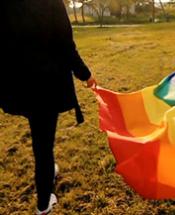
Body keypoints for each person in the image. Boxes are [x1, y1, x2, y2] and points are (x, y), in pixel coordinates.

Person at [1, 0, 97, 214]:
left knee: (41, 139)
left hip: (18, 86)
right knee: (43, 145)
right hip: (45, 85)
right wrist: (86, 75)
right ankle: (44, 204)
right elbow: (65, 45)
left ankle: (47, 172)